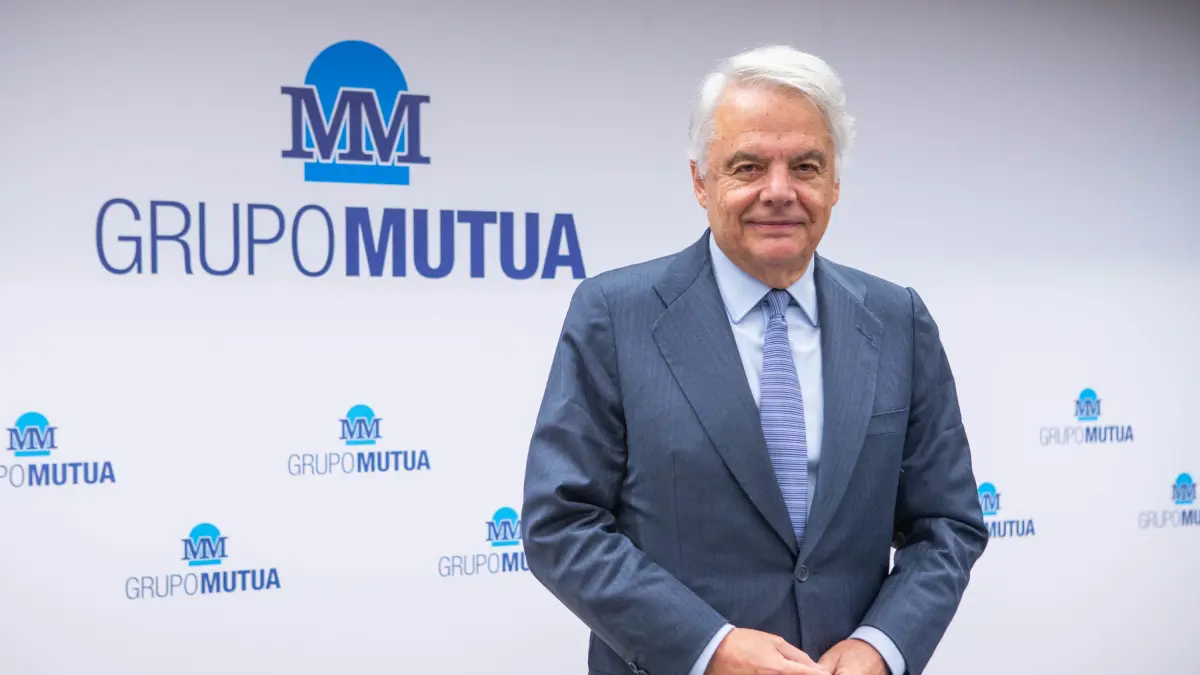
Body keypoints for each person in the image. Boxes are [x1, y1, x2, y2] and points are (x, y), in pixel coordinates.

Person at [521, 44, 987, 675]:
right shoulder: (613, 314)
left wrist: (882, 645)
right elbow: (561, 523)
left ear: (835, 184)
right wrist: (707, 647)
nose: (779, 191)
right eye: (748, 167)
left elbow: (947, 523)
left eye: (806, 166)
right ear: (700, 181)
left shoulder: (897, 319)